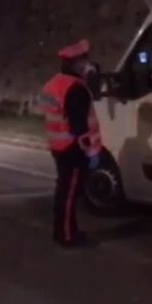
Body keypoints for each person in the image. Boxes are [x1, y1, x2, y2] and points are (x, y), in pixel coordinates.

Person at [40, 39, 103, 248]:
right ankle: (66, 235)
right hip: (73, 149)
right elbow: (79, 127)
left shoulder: (53, 84)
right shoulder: (76, 89)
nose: (87, 63)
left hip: (59, 146)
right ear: (75, 63)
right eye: (84, 59)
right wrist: (91, 151)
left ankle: (66, 229)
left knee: (65, 191)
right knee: (69, 196)